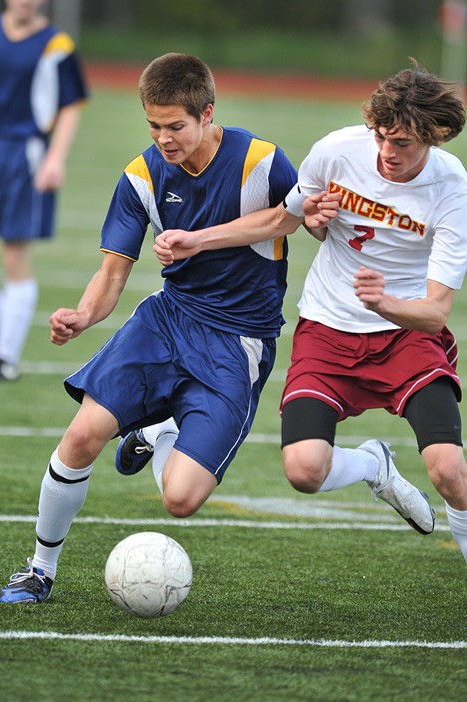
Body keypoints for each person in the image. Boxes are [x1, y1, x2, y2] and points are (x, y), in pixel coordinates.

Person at [0, 52, 341, 604]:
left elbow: (292, 218)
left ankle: (157, 430)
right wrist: (84, 315)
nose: (163, 138)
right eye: (154, 126)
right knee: (82, 435)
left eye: (175, 126)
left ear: (207, 113)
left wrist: (200, 238)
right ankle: (39, 570)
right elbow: (113, 272)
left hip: (238, 341)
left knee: (180, 499)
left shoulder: (261, 160)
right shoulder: (140, 176)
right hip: (166, 321)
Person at [134, 61, 467, 565]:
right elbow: (283, 219)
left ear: (434, 137)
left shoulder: (452, 189)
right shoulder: (337, 151)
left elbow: (435, 312)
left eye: (402, 143)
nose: (386, 151)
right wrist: (198, 241)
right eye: (381, 136)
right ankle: (374, 464)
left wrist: (385, 303)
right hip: (327, 328)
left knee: (449, 472)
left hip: (405, 335)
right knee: (304, 470)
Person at [0, 0, 88, 380]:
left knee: (14, 254)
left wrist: (55, 158)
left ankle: (6, 355)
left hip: (23, 155)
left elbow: (70, 105)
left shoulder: (57, 45)